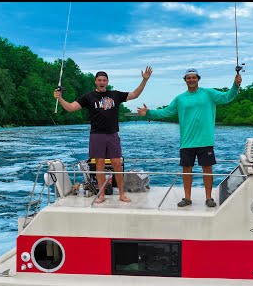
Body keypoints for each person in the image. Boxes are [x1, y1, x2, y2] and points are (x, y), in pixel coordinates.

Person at [137, 68, 241, 208]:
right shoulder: (180, 98)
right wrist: (149, 112)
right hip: (187, 142)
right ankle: (187, 198)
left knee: (207, 170)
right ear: (185, 80)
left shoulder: (209, 93)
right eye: (188, 78)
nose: (191, 80)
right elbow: (166, 112)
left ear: (198, 78)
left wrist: (235, 85)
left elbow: (227, 97)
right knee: (186, 170)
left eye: (194, 77)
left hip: (205, 140)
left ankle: (209, 197)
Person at [54, 66, 153, 203]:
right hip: (97, 135)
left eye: (104, 80)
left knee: (117, 164)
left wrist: (144, 80)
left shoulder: (115, 95)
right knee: (99, 165)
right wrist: (60, 98)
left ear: (107, 82)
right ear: (95, 81)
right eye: (99, 80)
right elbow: (71, 108)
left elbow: (135, 94)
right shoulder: (88, 97)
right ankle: (101, 195)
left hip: (112, 134)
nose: (102, 82)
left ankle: (122, 195)